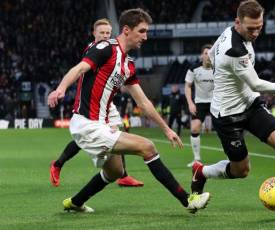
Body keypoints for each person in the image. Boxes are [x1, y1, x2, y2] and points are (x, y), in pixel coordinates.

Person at [48, 9, 210, 213]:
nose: (146, 36)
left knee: (115, 171)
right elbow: (80, 68)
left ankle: (75, 202)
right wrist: (60, 89)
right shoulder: (105, 48)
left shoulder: (128, 65)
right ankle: (188, 200)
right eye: (142, 31)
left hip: (102, 124)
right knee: (148, 147)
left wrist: (166, 129)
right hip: (87, 124)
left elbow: (143, 102)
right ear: (126, 30)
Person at [190, 0, 275, 216]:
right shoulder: (233, 49)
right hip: (228, 114)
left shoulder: (231, 32)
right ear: (238, 22)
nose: (256, 33)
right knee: (241, 171)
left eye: (260, 27)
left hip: (250, 103)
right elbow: (256, 83)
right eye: (251, 28)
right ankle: (202, 172)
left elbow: (214, 59)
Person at [49, 18, 143, 187]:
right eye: (102, 33)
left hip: (106, 102)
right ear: (94, 34)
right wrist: (61, 89)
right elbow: (82, 69)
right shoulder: (95, 48)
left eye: (108, 33)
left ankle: (122, 174)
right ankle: (58, 164)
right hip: (90, 101)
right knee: (89, 137)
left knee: (116, 132)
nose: (105, 36)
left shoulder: (112, 49)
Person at [184, 44, 214, 167]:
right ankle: (197, 159)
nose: (208, 56)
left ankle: (231, 157)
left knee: (224, 128)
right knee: (195, 128)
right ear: (202, 55)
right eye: (206, 53)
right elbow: (187, 86)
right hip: (200, 102)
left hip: (216, 102)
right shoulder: (193, 69)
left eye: (210, 53)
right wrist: (190, 103)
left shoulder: (219, 69)